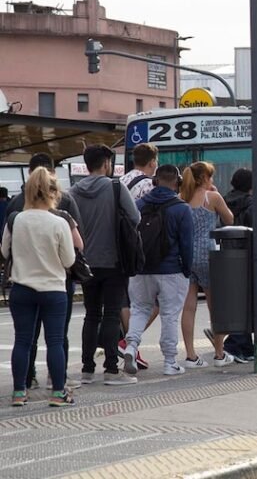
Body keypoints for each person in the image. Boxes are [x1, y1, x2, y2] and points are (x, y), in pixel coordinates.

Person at [7, 153, 83, 390]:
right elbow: (70, 259)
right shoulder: (60, 221)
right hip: (53, 288)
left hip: (21, 287)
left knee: (22, 341)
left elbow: (4, 250)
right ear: (53, 191)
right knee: (56, 341)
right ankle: (58, 392)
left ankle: (20, 391)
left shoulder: (15, 218)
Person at [70, 144, 140, 386]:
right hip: (113, 260)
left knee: (91, 315)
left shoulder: (74, 191)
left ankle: (87, 369)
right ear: (106, 164)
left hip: (86, 263)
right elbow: (135, 217)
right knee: (111, 314)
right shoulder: (115, 186)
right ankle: (111, 369)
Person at [122, 165, 193, 377]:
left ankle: (131, 346)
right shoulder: (181, 208)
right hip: (171, 270)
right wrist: (186, 271)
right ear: (177, 182)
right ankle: (170, 362)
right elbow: (186, 245)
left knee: (140, 309)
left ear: (155, 181)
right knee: (170, 314)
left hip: (141, 270)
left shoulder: (138, 205)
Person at [178, 161, 235, 368]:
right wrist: (216, 194)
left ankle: (191, 355)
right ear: (204, 178)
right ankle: (219, 354)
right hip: (208, 253)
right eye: (210, 176)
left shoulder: (181, 199)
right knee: (215, 306)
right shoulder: (212, 197)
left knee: (189, 306)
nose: (212, 180)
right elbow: (229, 220)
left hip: (186, 254)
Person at [118, 142, 159, 372]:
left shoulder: (121, 181)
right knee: (152, 301)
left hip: (120, 245)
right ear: (152, 162)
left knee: (126, 298)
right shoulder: (148, 186)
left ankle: (129, 344)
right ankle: (129, 342)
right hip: (140, 247)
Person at [219, 168, 255, 362]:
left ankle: (245, 345)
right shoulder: (251, 204)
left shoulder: (224, 200)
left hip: (227, 254)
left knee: (236, 299)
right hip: (247, 255)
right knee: (248, 301)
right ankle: (236, 343)